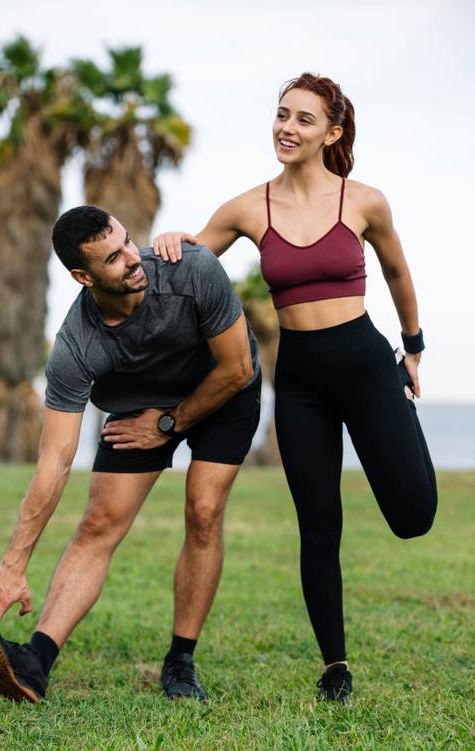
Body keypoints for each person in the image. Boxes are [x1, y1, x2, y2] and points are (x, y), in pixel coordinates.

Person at [149, 72, 438, 702]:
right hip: (300, 377)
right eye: (283, 114)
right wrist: (174, 240)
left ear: (331, 132)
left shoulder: (363, 200)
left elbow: (396, 272)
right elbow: (196, 261)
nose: (288, 127)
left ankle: (402, 424)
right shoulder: (250, 207)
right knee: (318, 523)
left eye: (305, 119)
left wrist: (411, 349)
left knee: (415, 517)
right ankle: (334, 665)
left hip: (367, 364)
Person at [0, 205, 261, 703]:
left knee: (204, 511)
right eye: (113, 257)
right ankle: (37, 660)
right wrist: (12, 566)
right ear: (84, 277)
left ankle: (181, 661)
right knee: (99, 522)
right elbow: (55, 461)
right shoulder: (76, 346)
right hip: (138, 409)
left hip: (222, 390)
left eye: (128, 242)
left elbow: (236, 369)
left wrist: (167, 425)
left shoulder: (190, 270)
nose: (132, 258)